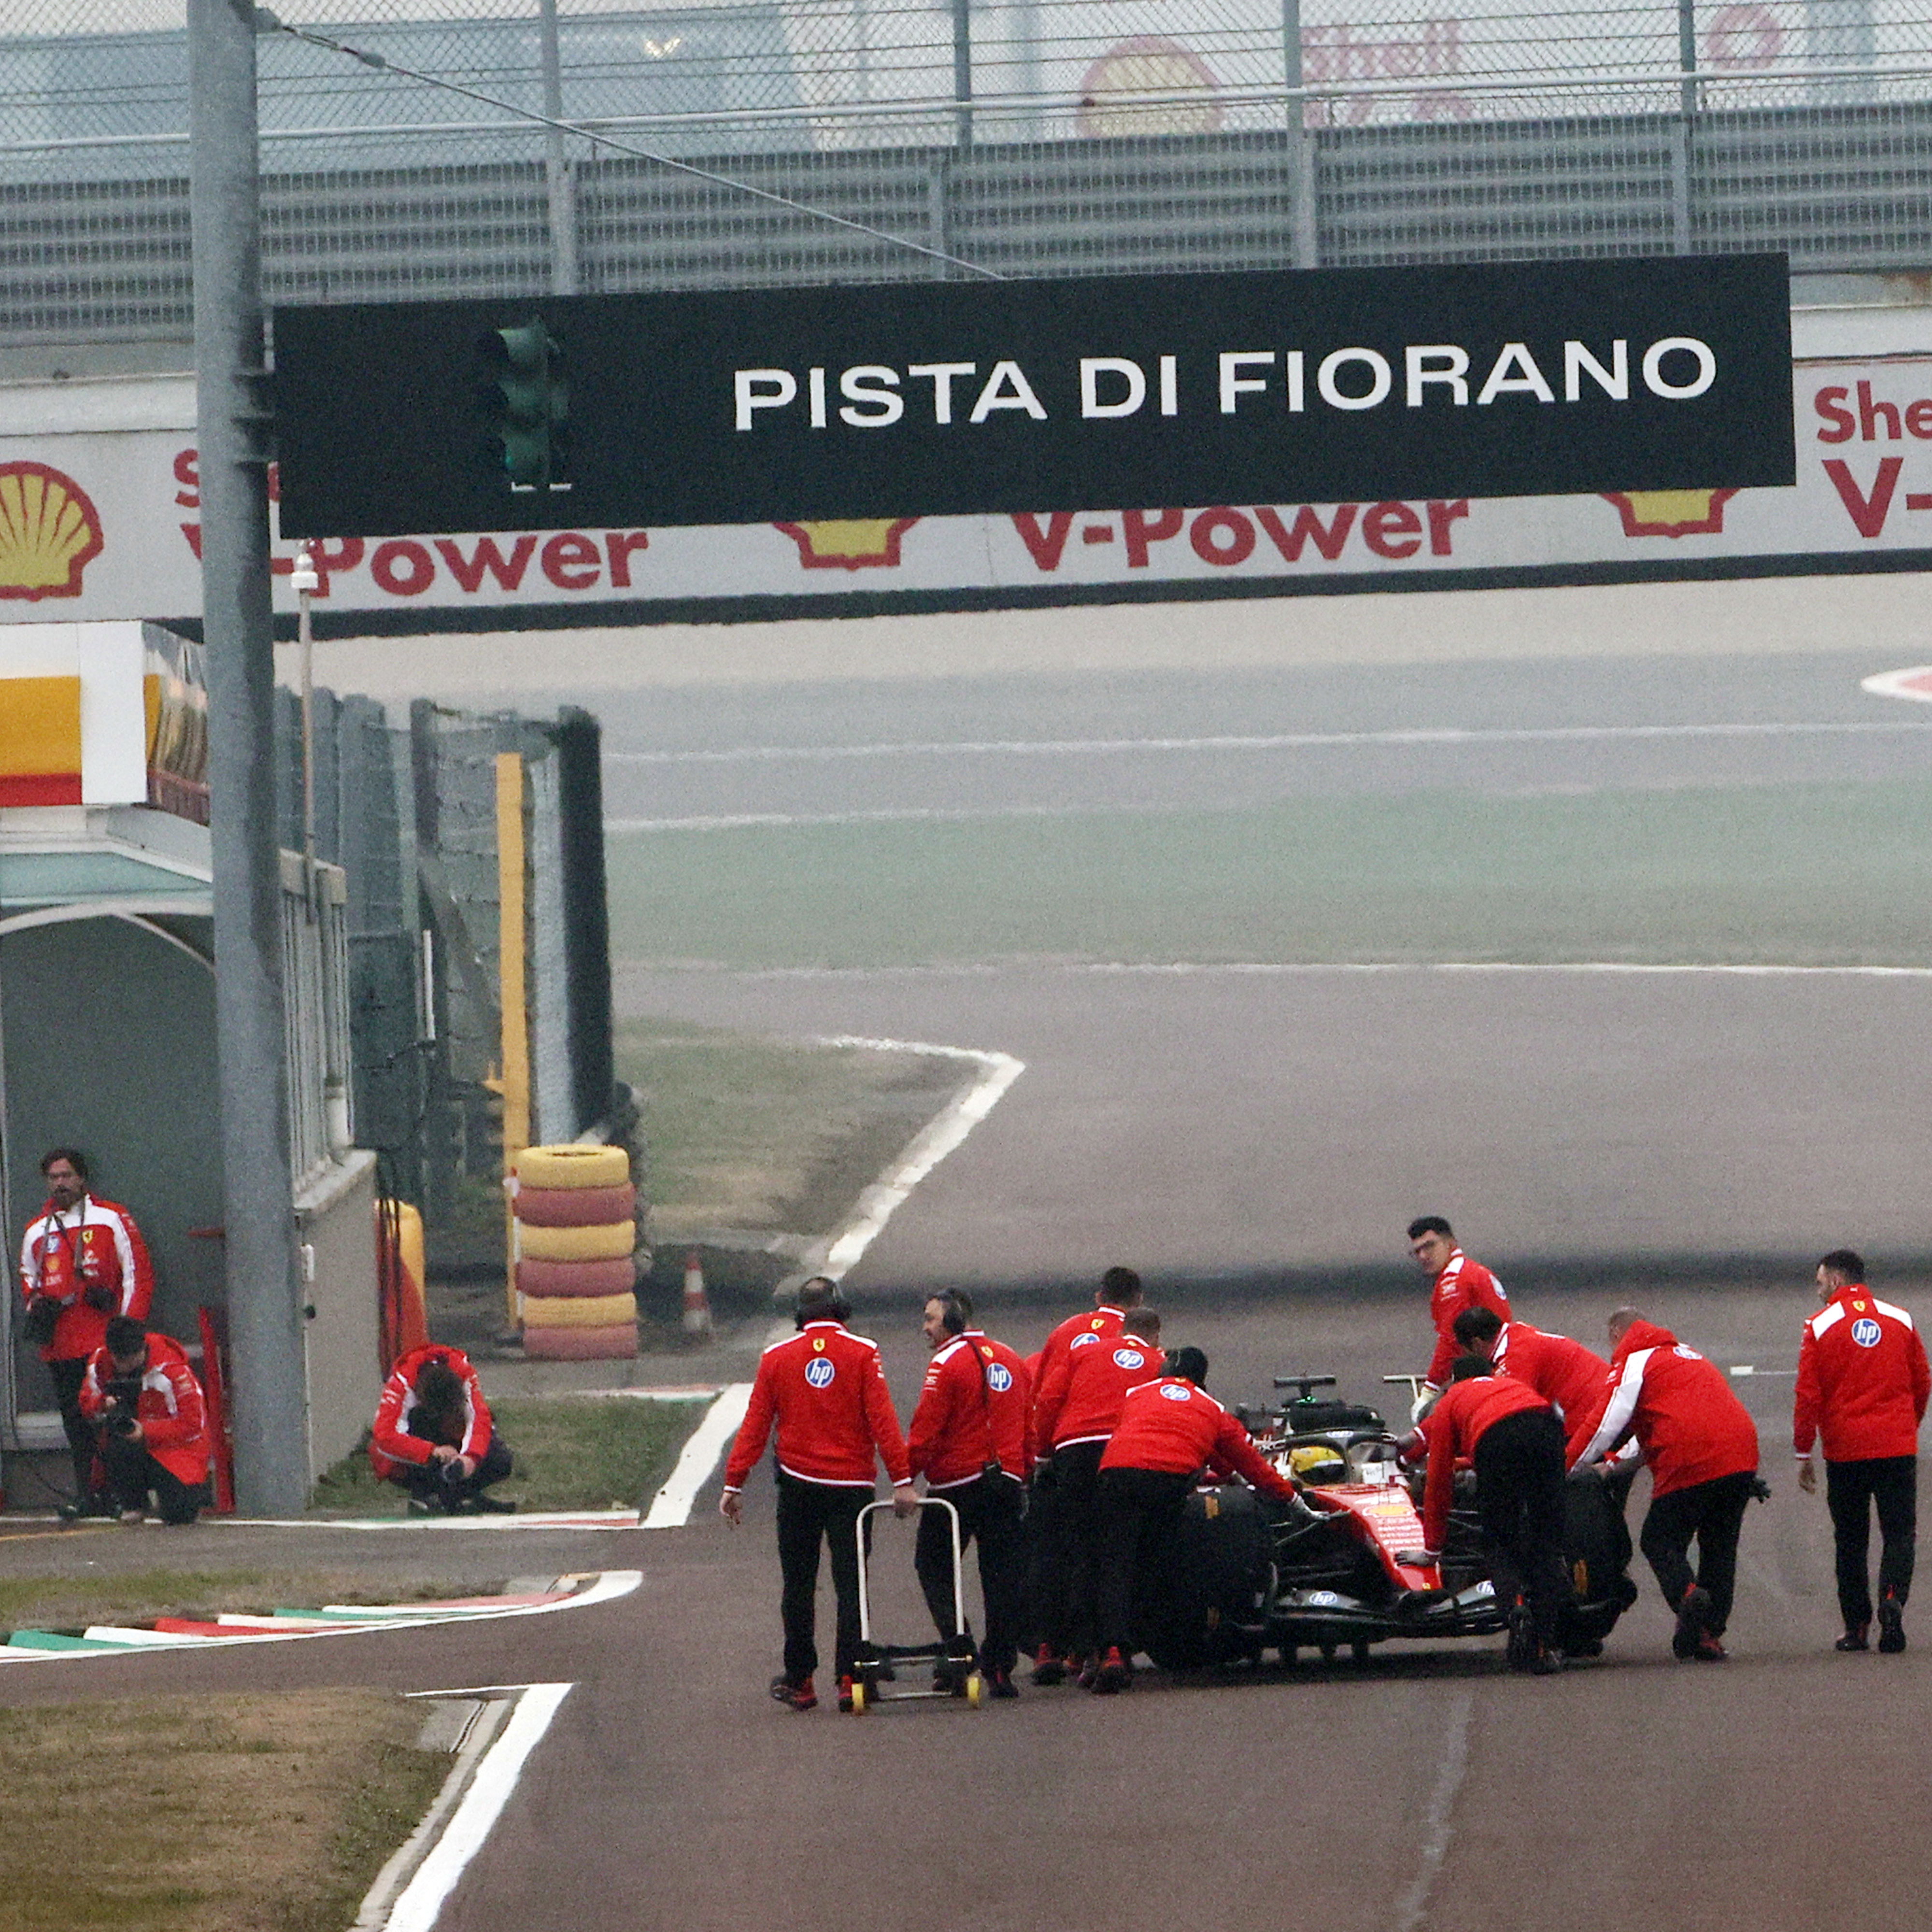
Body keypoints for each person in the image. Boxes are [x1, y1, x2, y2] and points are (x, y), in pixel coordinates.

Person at [721, 1277, 915, 1713]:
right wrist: (901, 1479)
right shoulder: (864, 1353)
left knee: (798, 1587)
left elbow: (755, 1425)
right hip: (852, 1488)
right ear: (841, 1310)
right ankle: (850, 1677)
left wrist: (735, 1483)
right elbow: (883, 1419)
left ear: (799, 1315)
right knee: (852, 1586)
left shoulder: (776, 1357)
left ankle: (801, 1680)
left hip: (798, 1486)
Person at [1090, 1345, 1297, 1692]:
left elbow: (1129, 1434)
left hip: (1117, 1475)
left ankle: (1110, 1653)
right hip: (1168, 1482)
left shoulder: (1136, 1394)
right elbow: (1248, 1465)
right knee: (1164, 1560)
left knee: (1114, 1564)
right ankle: (1171, 1634)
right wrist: (1290, 1497)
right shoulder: (1210, 1407)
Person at [1571, 1307, 1760, 1661]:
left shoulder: (1635, 1362)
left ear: (1617, 1332)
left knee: (1659, 1539)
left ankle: (1688, 1595)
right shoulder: (1687, 1356)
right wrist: (1613, 1467)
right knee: (1720, 1547)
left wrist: (1565, 1469)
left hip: (1690, 1458)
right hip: (1741, 1455)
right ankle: (1709, 1634)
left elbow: (1602, 1427)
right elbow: (1660, 1426)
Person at [1794, 1249, 1930, 1654]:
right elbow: (1922, 1382)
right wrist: (1907, 1425)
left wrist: (1804, 1452)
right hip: (1897, 1447)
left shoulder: (1819, 1327)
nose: (1818, 1292)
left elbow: (1807, 1396)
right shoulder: (1900, 1319)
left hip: (1846, 1453)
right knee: (1900, 1534)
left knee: (1851, 1541)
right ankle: (1892, 1600)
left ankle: (1857, 1626)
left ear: (1836, 1281)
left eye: (1820, 1283)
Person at [1408, 1353, 1574, 1673]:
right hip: (1545, 1425)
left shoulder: (1452, 1399)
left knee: (1500, 1539)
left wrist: (1432, 1549)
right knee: (1546, 1542)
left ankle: (1515, 1608)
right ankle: (1545, 1641)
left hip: (1495, 1438)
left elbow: (1438, 1480)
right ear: (1493, 1372)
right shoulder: (1511, 1385)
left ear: (1453, 1382)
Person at [906, 1290, 1031, 1698]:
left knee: (932, 1565)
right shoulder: (1012, 1358)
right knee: (1002, 1580)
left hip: (956, 1488)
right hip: (1007, 1485)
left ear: (955, 1320)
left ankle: (960, 1651)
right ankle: (1000, 1668)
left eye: (931, 1319)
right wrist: (1023, 1473)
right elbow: (1029, 1424)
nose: (925, 1328)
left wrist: (903, 1478)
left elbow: (926, 1432)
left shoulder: (945, 1363)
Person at [18, 1148, 155, 1520]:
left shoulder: (111, 1217)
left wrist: (126, 1331)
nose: (60, 1184)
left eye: (66, 1176)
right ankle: (87, 1494)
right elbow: (28, 1277)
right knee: (75, 1425)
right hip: (60, 1346)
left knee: (112, 1420)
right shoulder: (35, 1229)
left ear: (82, 1178)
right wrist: (37, 1305)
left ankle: (121, 1495)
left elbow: (138, 1275)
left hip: (103, 1344)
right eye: (53, 1178)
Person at [1028, 1307, 1162, 1683]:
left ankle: (1072, 1650)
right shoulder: (1158, 1360)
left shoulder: (1083, 1352)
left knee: (1079, 1552)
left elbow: (1048, 1401)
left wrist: (1042, 1455)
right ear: (1154, 1335)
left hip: (1075, 1451)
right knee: (1118, 1554)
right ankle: (1115, 1651)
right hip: (1125, 1453)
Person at [77, 1317, 211, 1526]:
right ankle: (132, 1502)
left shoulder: (173, 1371)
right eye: (119, 1359)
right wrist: (103, 1404)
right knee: (117, 1441)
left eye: (131, 1359)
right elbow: (86, 1403)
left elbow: (193, 1425)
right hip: (128, 1444)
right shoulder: (100, 1363)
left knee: (180, 1513)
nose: (125, 1365)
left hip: (175, 1449)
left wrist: (146, 1431)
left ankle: (169, 1493)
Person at [369, 1342, 515, 1514]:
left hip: (455, 1446)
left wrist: (469, 1459)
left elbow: (480, 1421)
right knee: (417, 1422)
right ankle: (427, 1494)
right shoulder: (402, 1383)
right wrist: (431, 1451)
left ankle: (462, 1494)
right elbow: (385, 1438)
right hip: (416, 1451)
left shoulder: (464, 1373)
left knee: (500, 1459)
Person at [1453, 1305, 1609, 1432]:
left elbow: (1508, 1416)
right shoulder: (1517, 1332)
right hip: (1602, 1393)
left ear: (1477, 1344)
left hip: (1590, 1412)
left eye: (1465, 1351)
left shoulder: (1515, 1358)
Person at [1408, 1216, 1509, 1406]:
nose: (1423, 1256)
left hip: (1487, 1371)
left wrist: (1430, 1388)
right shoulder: (1474, 1271)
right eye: (1417, 1251)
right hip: (1499, 1366)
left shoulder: (1453, 1280)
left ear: (1450, 1243)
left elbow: (1451, 1338)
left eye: (1429, 1246)